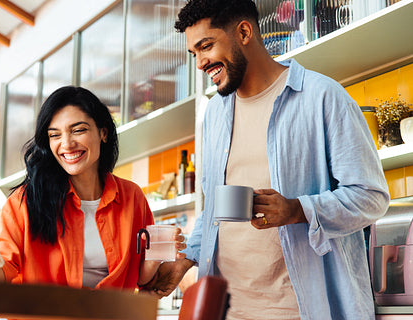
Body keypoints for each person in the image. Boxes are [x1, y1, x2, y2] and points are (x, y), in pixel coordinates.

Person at [145, 1, 390, 319]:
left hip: (301, 310)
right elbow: (214, 210)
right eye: (194, 53)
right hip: (228, 310)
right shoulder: (216, 114)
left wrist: (298, 210)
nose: (200, 63)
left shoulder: (321, 97)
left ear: (244, 32)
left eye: (206, 46)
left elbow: (371, 197)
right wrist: (186, 259)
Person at [0, 85, 185, 290]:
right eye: (55, 135)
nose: (66, 144)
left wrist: (157, 255)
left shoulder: (131, 197)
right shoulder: (23, 203)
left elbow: (139, 279)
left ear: (103, 132)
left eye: (78, 130)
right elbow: (0, 276)